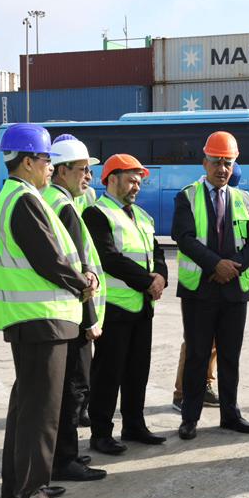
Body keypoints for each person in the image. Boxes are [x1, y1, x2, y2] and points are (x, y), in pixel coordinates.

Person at [0, 123, 96, 498]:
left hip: (32, 320)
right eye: (46, 160)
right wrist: (82, 284)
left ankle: (18, 483)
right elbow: (48, 258)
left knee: (27, 406)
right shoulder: (24, 199)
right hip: (41, 320)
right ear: (27, 162)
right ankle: (31, 494)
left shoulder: (16, 196)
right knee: (41, 412)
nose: (50, 167)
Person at [172, 131, 249, 439]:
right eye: (216, 162)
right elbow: (184, 238)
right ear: (204, 162)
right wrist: (216, 265)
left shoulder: (245, 199)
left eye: (227, 163)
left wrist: (231, 268)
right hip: (199, 290)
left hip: (234, 290)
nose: (222, 169)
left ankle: (230, 414)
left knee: (229, 356)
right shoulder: (187, 196)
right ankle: (190, 417)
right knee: (197, 355)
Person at [83, 154, 168, 454]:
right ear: (111, 179)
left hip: (143, 307)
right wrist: (147, 281)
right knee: (108, 374)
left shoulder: (143, 216)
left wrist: (161, 277)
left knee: (137, 372)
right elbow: (109, 258)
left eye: (139, 182)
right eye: (131, 180)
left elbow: (156, 253)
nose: (136, 187)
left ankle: (134, 425)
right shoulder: (97, 214)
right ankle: (101, 433)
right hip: (115, 308)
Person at [39, 134, 108, 483]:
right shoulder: (64, 207)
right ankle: (65, 459)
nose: (89, 177)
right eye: (83, 170)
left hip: (61, 313)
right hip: (74, 315)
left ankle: (62, 454)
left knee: (65, 388)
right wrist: (91, 319)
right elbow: (78, 269)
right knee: (75, 387)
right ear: (62, 170)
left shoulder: (49, 199)